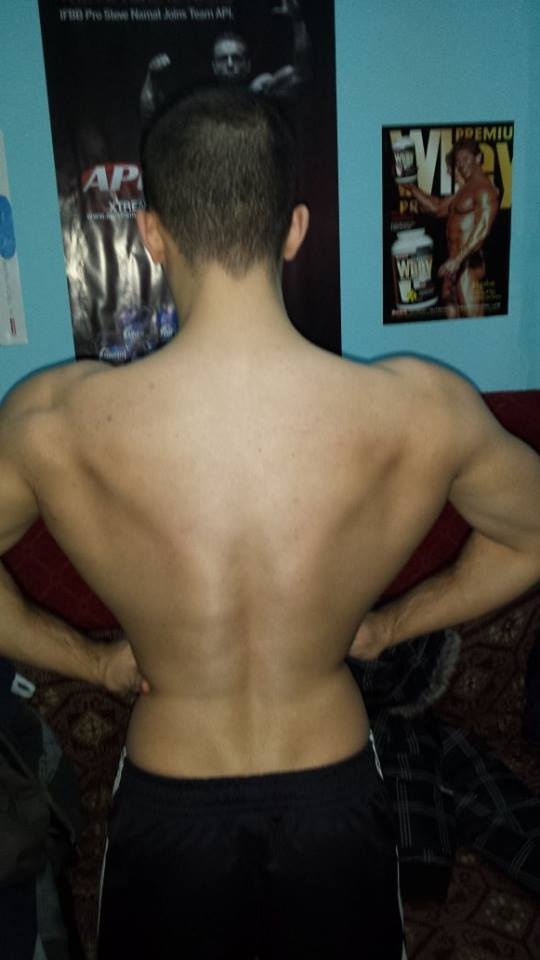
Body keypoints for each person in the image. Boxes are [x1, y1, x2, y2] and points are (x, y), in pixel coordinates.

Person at [0, 88, 539, 959]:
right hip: (333, 792)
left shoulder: (51, 422)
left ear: (152, 233)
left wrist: (91, 662)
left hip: (171, 797)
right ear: (294, 230)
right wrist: (394, 624)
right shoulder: (425, 412)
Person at [140, 1, 310, 123]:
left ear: (247, 65)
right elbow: (151, 116)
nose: (230, 64)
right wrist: (151, 77)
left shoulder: (261, 91)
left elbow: (299, 75)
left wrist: (298, 22)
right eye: (223, 59)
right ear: (214, 67)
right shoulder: (200, 103)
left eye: (236, 58)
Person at [406, 138, 499, 318]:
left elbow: (482, 229)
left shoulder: (485, 189)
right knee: (451, 319)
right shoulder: (464, 190)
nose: (461, 165)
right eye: (458, 161)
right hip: (452, 267)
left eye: (466, 159)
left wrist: (457, 260)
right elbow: (438, 208)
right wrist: (411, 188)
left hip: (467, 267)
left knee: (473, 323)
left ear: (478, 158)